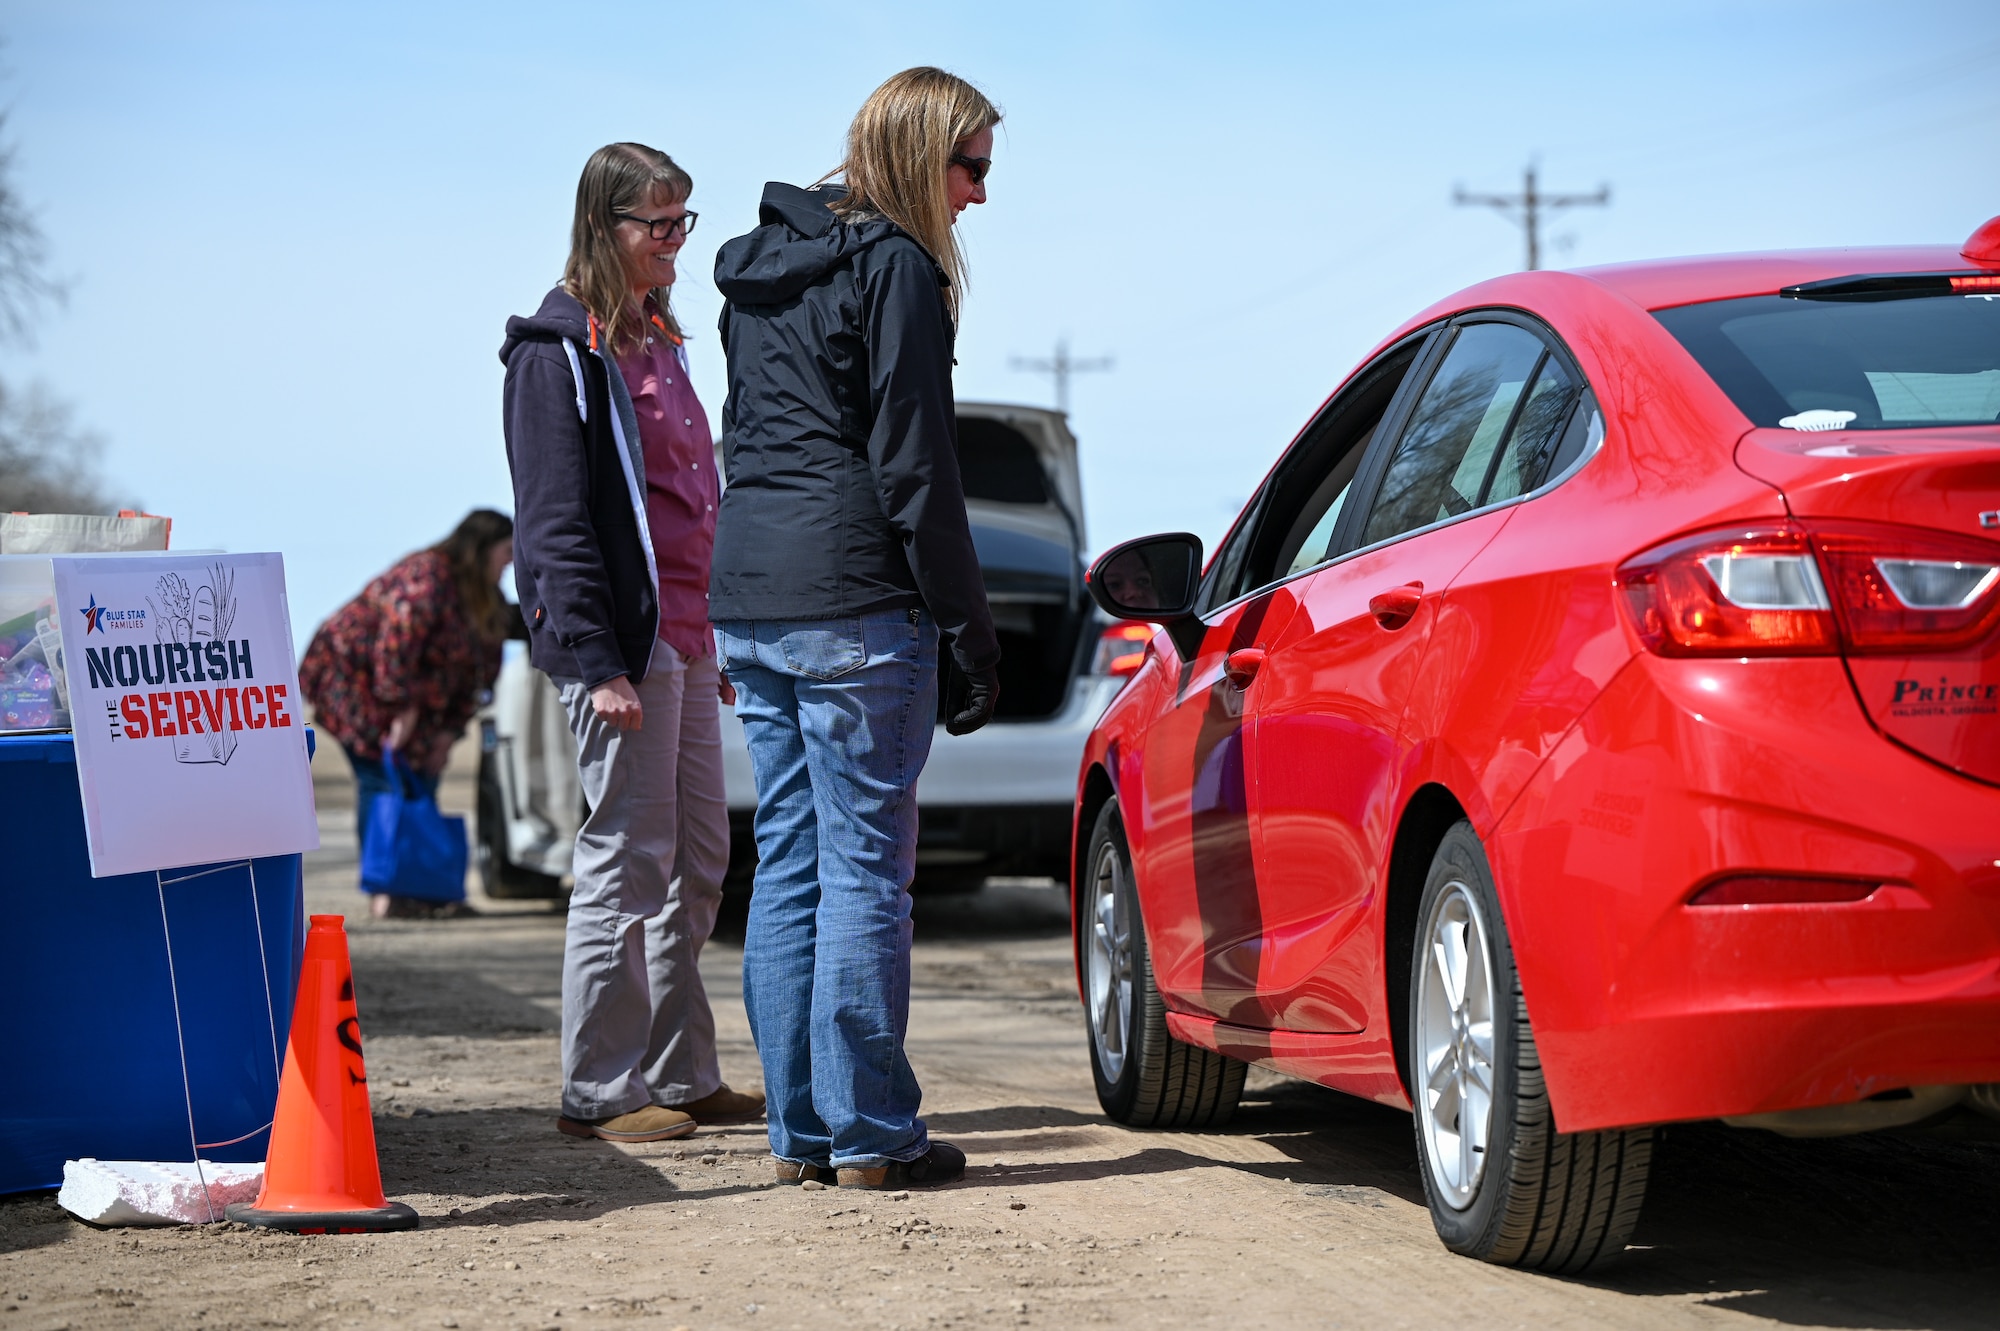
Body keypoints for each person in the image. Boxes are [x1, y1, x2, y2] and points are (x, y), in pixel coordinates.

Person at [709, 67, 1003, 1190]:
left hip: (752, 598)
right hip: (852, 604)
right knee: (866, 868)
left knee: (788, 858)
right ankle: (873, 1133)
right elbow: (916, 469)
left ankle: (805, 1131)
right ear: (918, 152)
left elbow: (751, 437)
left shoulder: (754, 272)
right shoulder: (896, 270)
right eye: (968, 167)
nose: (978, 195)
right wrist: (969, 632)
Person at [500, 142, 763, 1145]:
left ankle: (680, 1070)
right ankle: (598, 1090)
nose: (674, 242)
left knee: (700, 857)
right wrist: (596, 659)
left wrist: (726, 628)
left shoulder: (662, 337)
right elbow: (552, 522)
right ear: (602, 226)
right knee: (626, 855)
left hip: (692, 637)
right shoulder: (555, 352)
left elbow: (699, 498)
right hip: (625, 648)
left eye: (682, 221)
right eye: (658, 224)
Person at [300, 509, 513, 920]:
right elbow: (394, 647)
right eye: (506, 550)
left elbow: (481, 674)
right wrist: (400, 710)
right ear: (481, 548)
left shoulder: (485, 600)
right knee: (382, 779)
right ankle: (387, 890)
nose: (511, 561)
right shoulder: (426, 578)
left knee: (423, 779)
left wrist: (449, 733)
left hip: (422, 706)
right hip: (357, 685)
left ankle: (424, 886)